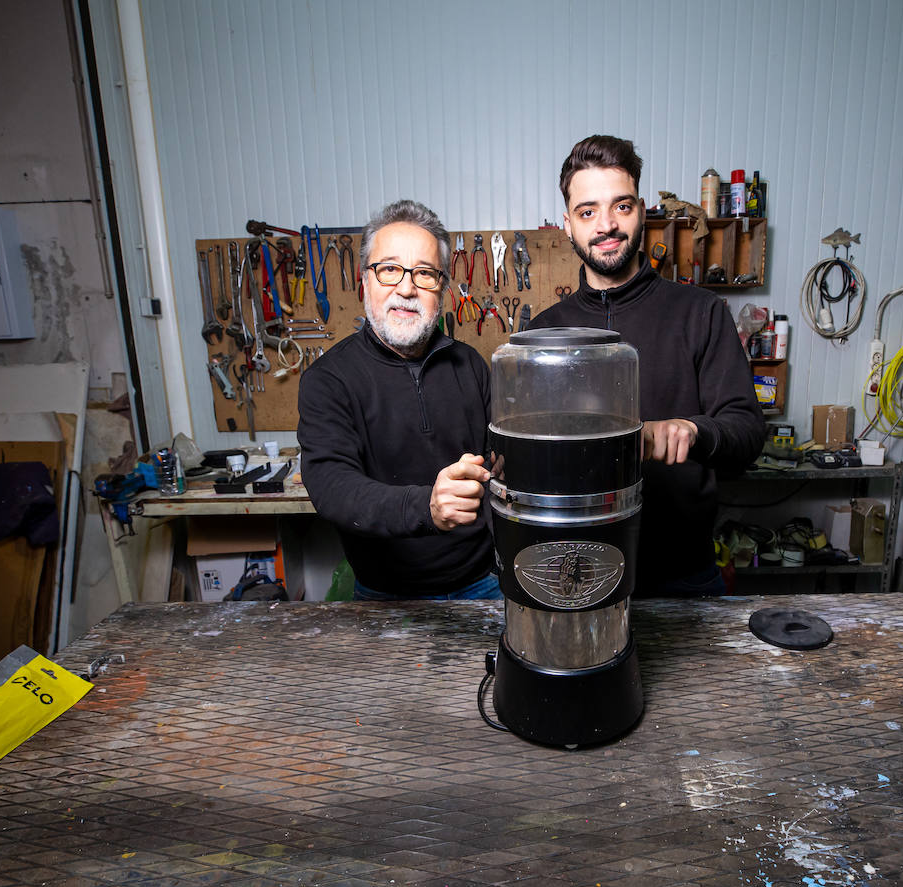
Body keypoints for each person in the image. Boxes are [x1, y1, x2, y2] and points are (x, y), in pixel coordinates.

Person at [529, 135, 766, 597]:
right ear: (568, 224)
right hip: (579, 575)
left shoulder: (701, 312)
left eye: (621, 206)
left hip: (686, 576)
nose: (606, 225)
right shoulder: (544, 336)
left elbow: (747, 433)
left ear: (641, 210)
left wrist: (693, 432)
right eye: (588, 211)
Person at [296, 199, 499, 600]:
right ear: (364, 282)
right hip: (383, 597)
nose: (406, 288)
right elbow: (332, 487)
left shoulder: (469, 364)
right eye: (389, 269)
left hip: (482, 585)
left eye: (424, 273)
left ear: (441, 288)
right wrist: (428, 506)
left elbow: (502, 464)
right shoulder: (328, 380)